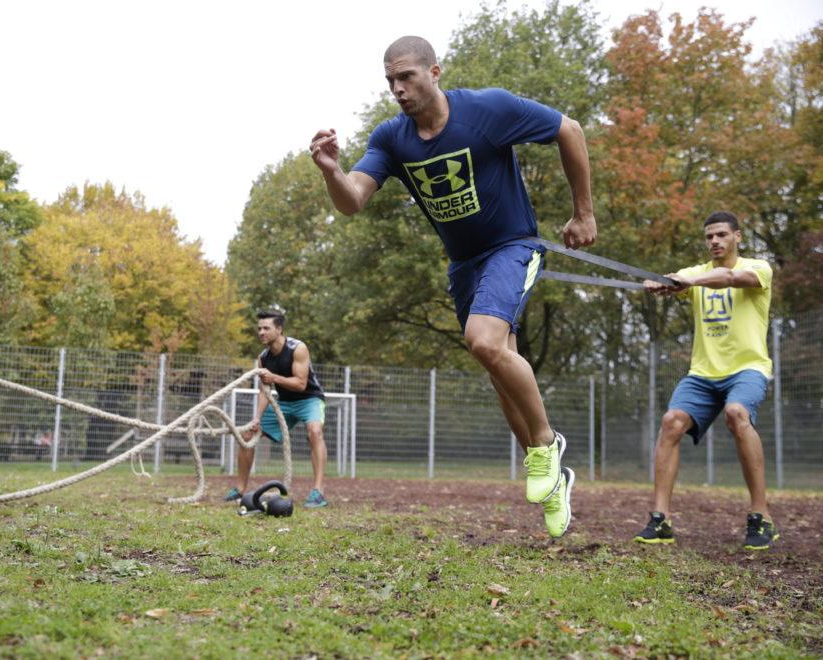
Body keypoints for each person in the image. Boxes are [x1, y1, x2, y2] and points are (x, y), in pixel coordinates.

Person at [309, 36, 597, 537]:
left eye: (407, 77)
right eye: (390, 81)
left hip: (513, 245)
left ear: (434, 72)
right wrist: (333, 171)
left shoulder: (488, 110)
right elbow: (352, 200)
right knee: (499, 369)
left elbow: (567, 129)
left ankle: (547, 444)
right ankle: (554, 480)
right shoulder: (391, 138)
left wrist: (583, 213)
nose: (398, 89)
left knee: (483, 340)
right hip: (465, 265)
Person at [636, 211, 778, 550]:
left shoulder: (759, 268)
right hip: (702, 373)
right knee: (671, 422)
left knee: (737, 413)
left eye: (721, 235)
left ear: (737, 236)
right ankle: (661, 519)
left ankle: (761, 516)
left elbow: (730, 277)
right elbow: (676, 279)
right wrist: (661, 283)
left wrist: (689, 283)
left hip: (747, 368)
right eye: (709, 237)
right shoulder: (694, 273)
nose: (714, 241)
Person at [224, 309, 330, 508]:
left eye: (266, 328)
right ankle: (239, 489)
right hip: (284, 403)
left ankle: (318, 492)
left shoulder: (298, 348)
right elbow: (265, 391)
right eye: (259, 329)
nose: (261, 332)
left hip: (310, 399)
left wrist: (274, 378)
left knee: (315, 431)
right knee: (247, 435)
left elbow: (300, 384)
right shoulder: (263, 357)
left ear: (279, 329)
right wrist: (257, 418)